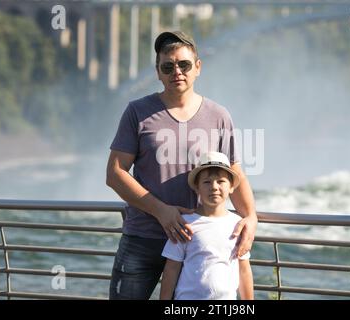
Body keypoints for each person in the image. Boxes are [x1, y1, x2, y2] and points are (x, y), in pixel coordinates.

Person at [106, 30, 257, 300]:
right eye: (168, 66)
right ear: (158, 72)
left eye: (184, 64)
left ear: (198, 67)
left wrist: (251, 217)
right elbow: (115, 173)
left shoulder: (219, 116)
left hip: (196, 242)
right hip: (143, 236)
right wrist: (161, 211)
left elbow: (234, 172)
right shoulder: (137, 111)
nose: (177, 71)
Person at [160, 152, 254, 300]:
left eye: (221, 181)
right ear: (197, 188)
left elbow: (244, 270)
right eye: (206, 182)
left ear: (231, 187)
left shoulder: (238, 224)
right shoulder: (185, 224)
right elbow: (171, 268)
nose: (214, 187)